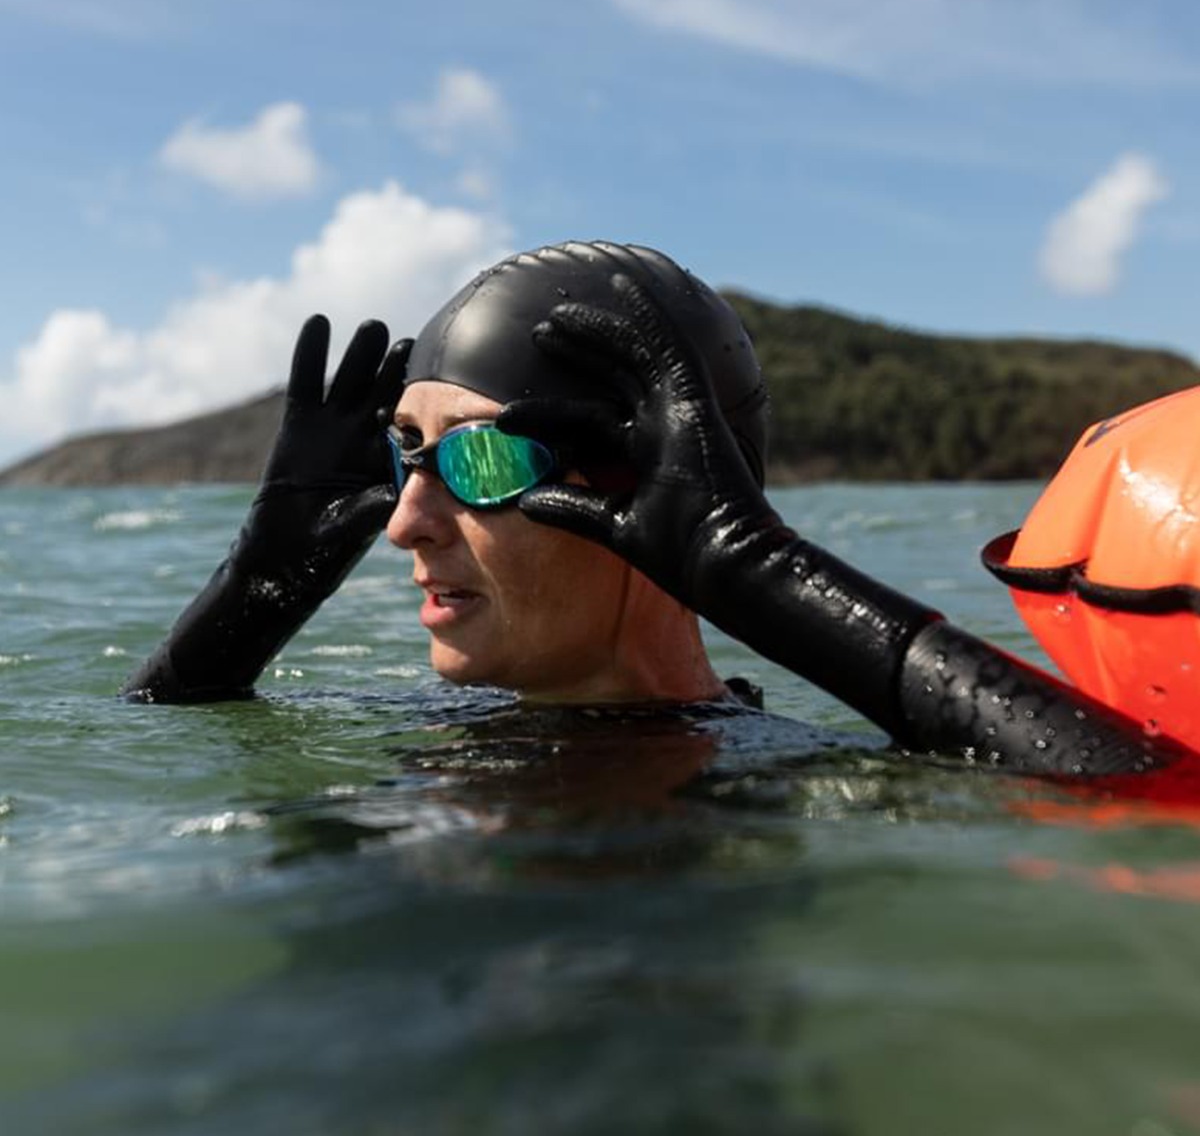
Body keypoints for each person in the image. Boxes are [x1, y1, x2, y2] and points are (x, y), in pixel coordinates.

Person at [124, 240, 1194, 791]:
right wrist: (254, 597)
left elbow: (1140, 805)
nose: (406, 522)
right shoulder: (401, 732)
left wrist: (754, 571)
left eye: (478, 458)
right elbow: (135, 767)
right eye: (408, 454)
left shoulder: (782, 782)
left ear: (637, 484)